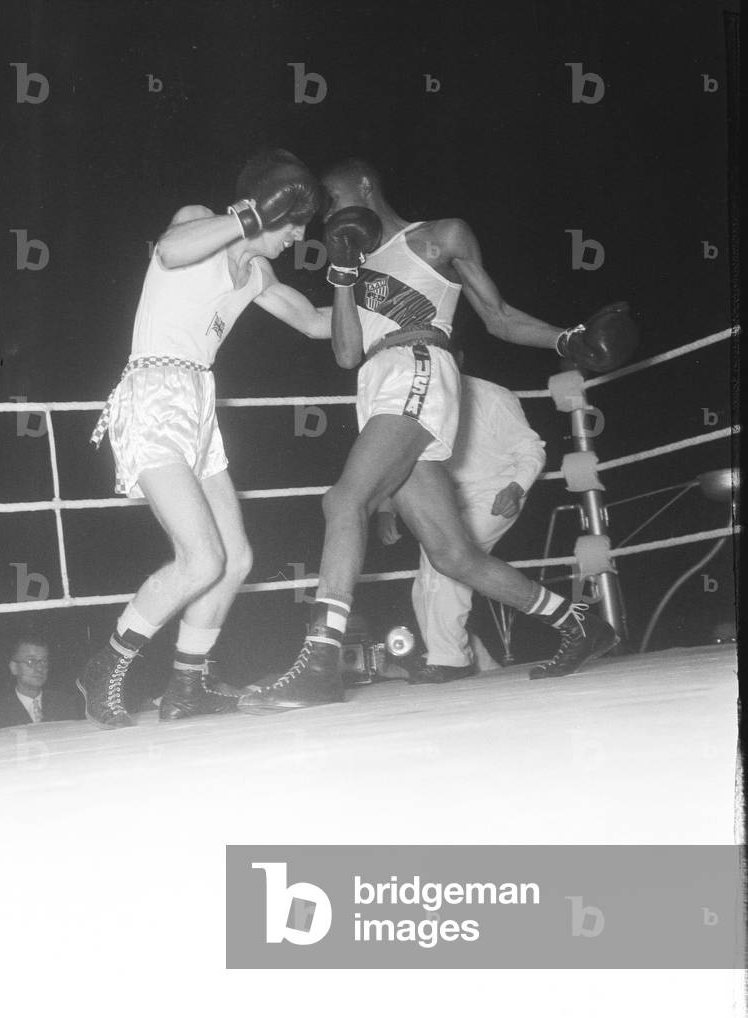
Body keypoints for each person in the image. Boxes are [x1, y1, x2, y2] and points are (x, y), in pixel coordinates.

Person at [239, 157, 637, 712]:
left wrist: (566, 339)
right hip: (378, 382)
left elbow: (497, 317)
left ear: (363, 185)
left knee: (344, 500)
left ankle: (322, 662)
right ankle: (580, 625)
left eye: (330, 199)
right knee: (452, 555)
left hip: (418, 364)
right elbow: (346, 351)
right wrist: (331, 273)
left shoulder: (438, 236)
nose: (325, 212)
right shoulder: (352, 257)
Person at [79, 150, 331, 728]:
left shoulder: (259, 274)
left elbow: (318, 324)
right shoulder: (197, 222)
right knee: (201, 557)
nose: (296, 237)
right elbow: (169, 251)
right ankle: (106, 665)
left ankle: (187, 686)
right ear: (268, 205)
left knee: (235, 558)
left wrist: (362, 289)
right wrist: (250, 215)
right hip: (152, 396)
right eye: (292, 221)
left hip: (199, 406)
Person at [376, 350, 546, 682]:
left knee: (447, 567)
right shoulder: (419, 402)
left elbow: (532, 449)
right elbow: (399, 460)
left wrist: (516, 487)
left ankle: (450, 659)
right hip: (447, 499)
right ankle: (473, 658)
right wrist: (386, 508)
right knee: (422, 586)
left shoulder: (493, 396)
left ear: (458, 359)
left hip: (496, 492)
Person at [0, 637, 85, 729]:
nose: (40, 668)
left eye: (43, 661)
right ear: (14, 667)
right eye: (31, 661)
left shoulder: (66, 704)